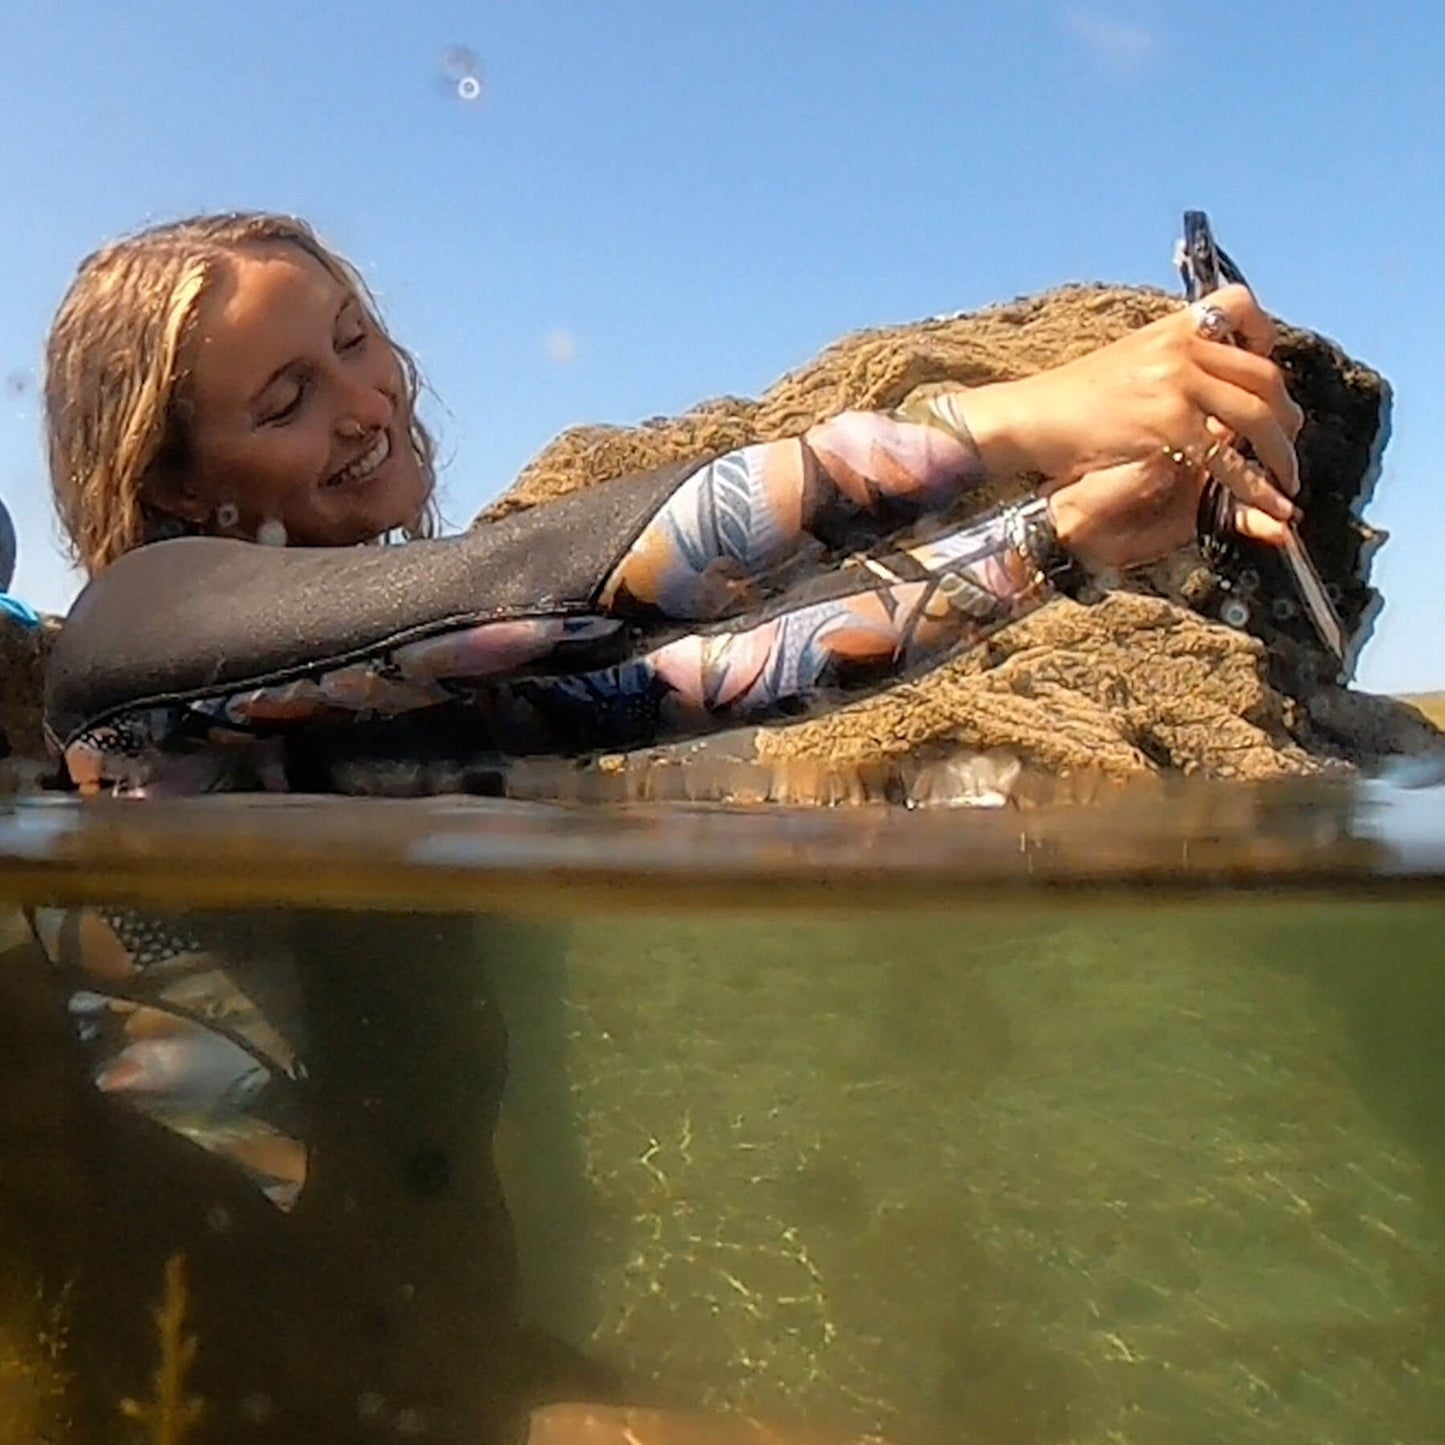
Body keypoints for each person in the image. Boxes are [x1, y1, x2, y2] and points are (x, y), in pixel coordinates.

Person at [30, 212, 1307, 1442]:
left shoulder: (384, 693)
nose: (361, 400)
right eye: (285, 398)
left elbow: (711, 671)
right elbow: (530, 591)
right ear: (179, 487)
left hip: (431, 1355)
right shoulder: (138, 648)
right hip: (245, 1376)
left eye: (354, 339)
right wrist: (1008, 421)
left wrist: (1070, 534)